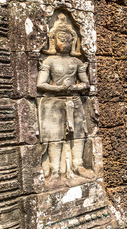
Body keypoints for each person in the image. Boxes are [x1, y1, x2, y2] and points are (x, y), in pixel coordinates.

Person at [37, 13, 94, 180]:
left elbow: (86, 84)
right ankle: (55, 171)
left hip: (74, 101)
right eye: (62, 39)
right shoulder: (49, 61)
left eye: (69, 40)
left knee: (78, 134)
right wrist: (59, 88)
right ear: (53, 40)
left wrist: (75, 87)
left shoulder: (76, 62)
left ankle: (78, 164)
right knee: (55, 136)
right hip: (53, 103)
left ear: (73, 41)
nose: (66, 43)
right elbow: (40, 84)